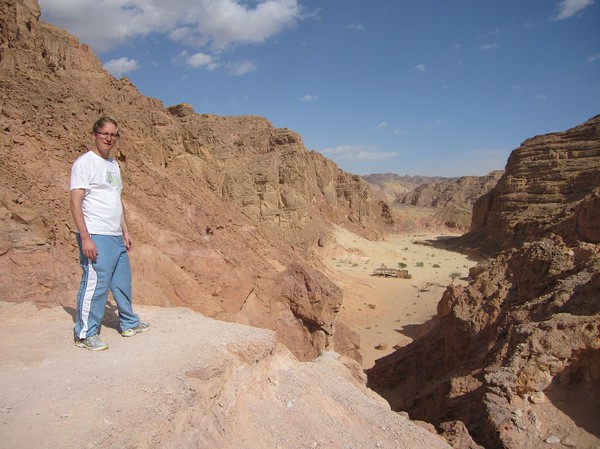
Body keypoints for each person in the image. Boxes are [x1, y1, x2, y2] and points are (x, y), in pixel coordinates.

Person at [70, 115, 149, 351]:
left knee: (122, 282)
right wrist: (85, 237)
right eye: (104, 133)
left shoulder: (113, 165)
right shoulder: (85, 163)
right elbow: (75, 202)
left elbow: (117, 200)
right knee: (96, 283)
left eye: (113, 134)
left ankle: (128, 323)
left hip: (115, 235)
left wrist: (125, 231)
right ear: (95, 134)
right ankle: (85, 333)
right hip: (96, 233)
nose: (109, 138)